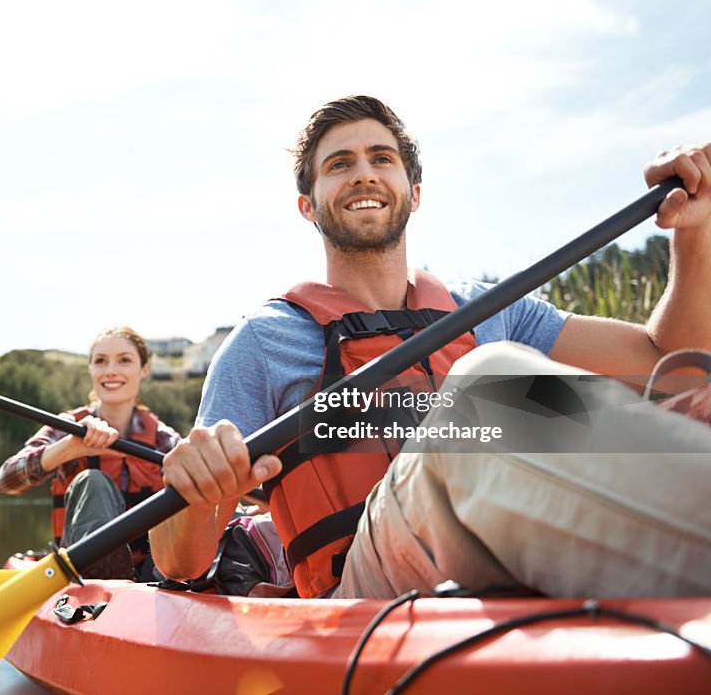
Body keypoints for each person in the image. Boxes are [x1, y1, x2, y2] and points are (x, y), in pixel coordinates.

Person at [150, 95, 711, 600]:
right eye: (339, 164)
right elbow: (179, 561)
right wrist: (200, 492)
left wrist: (694, 229)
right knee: (488, 383)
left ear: (413, 193)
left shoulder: (491, 309)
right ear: (308, 205)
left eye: (381, 159)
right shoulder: (264, 343)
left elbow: (673, 367)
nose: (363, 174)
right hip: (366, 589)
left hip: (516, 537)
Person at [0, 326, 181, 580]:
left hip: (154, 570)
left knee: (183, 494)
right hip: (84, 567)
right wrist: (68, 448)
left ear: (144, 370)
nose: (110, 370)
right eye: (101, 361)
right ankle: (103, 573)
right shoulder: (68, 426)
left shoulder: (163, 437)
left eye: (124, 360)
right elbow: (6, 480)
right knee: (92, 481)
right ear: (91, 369)